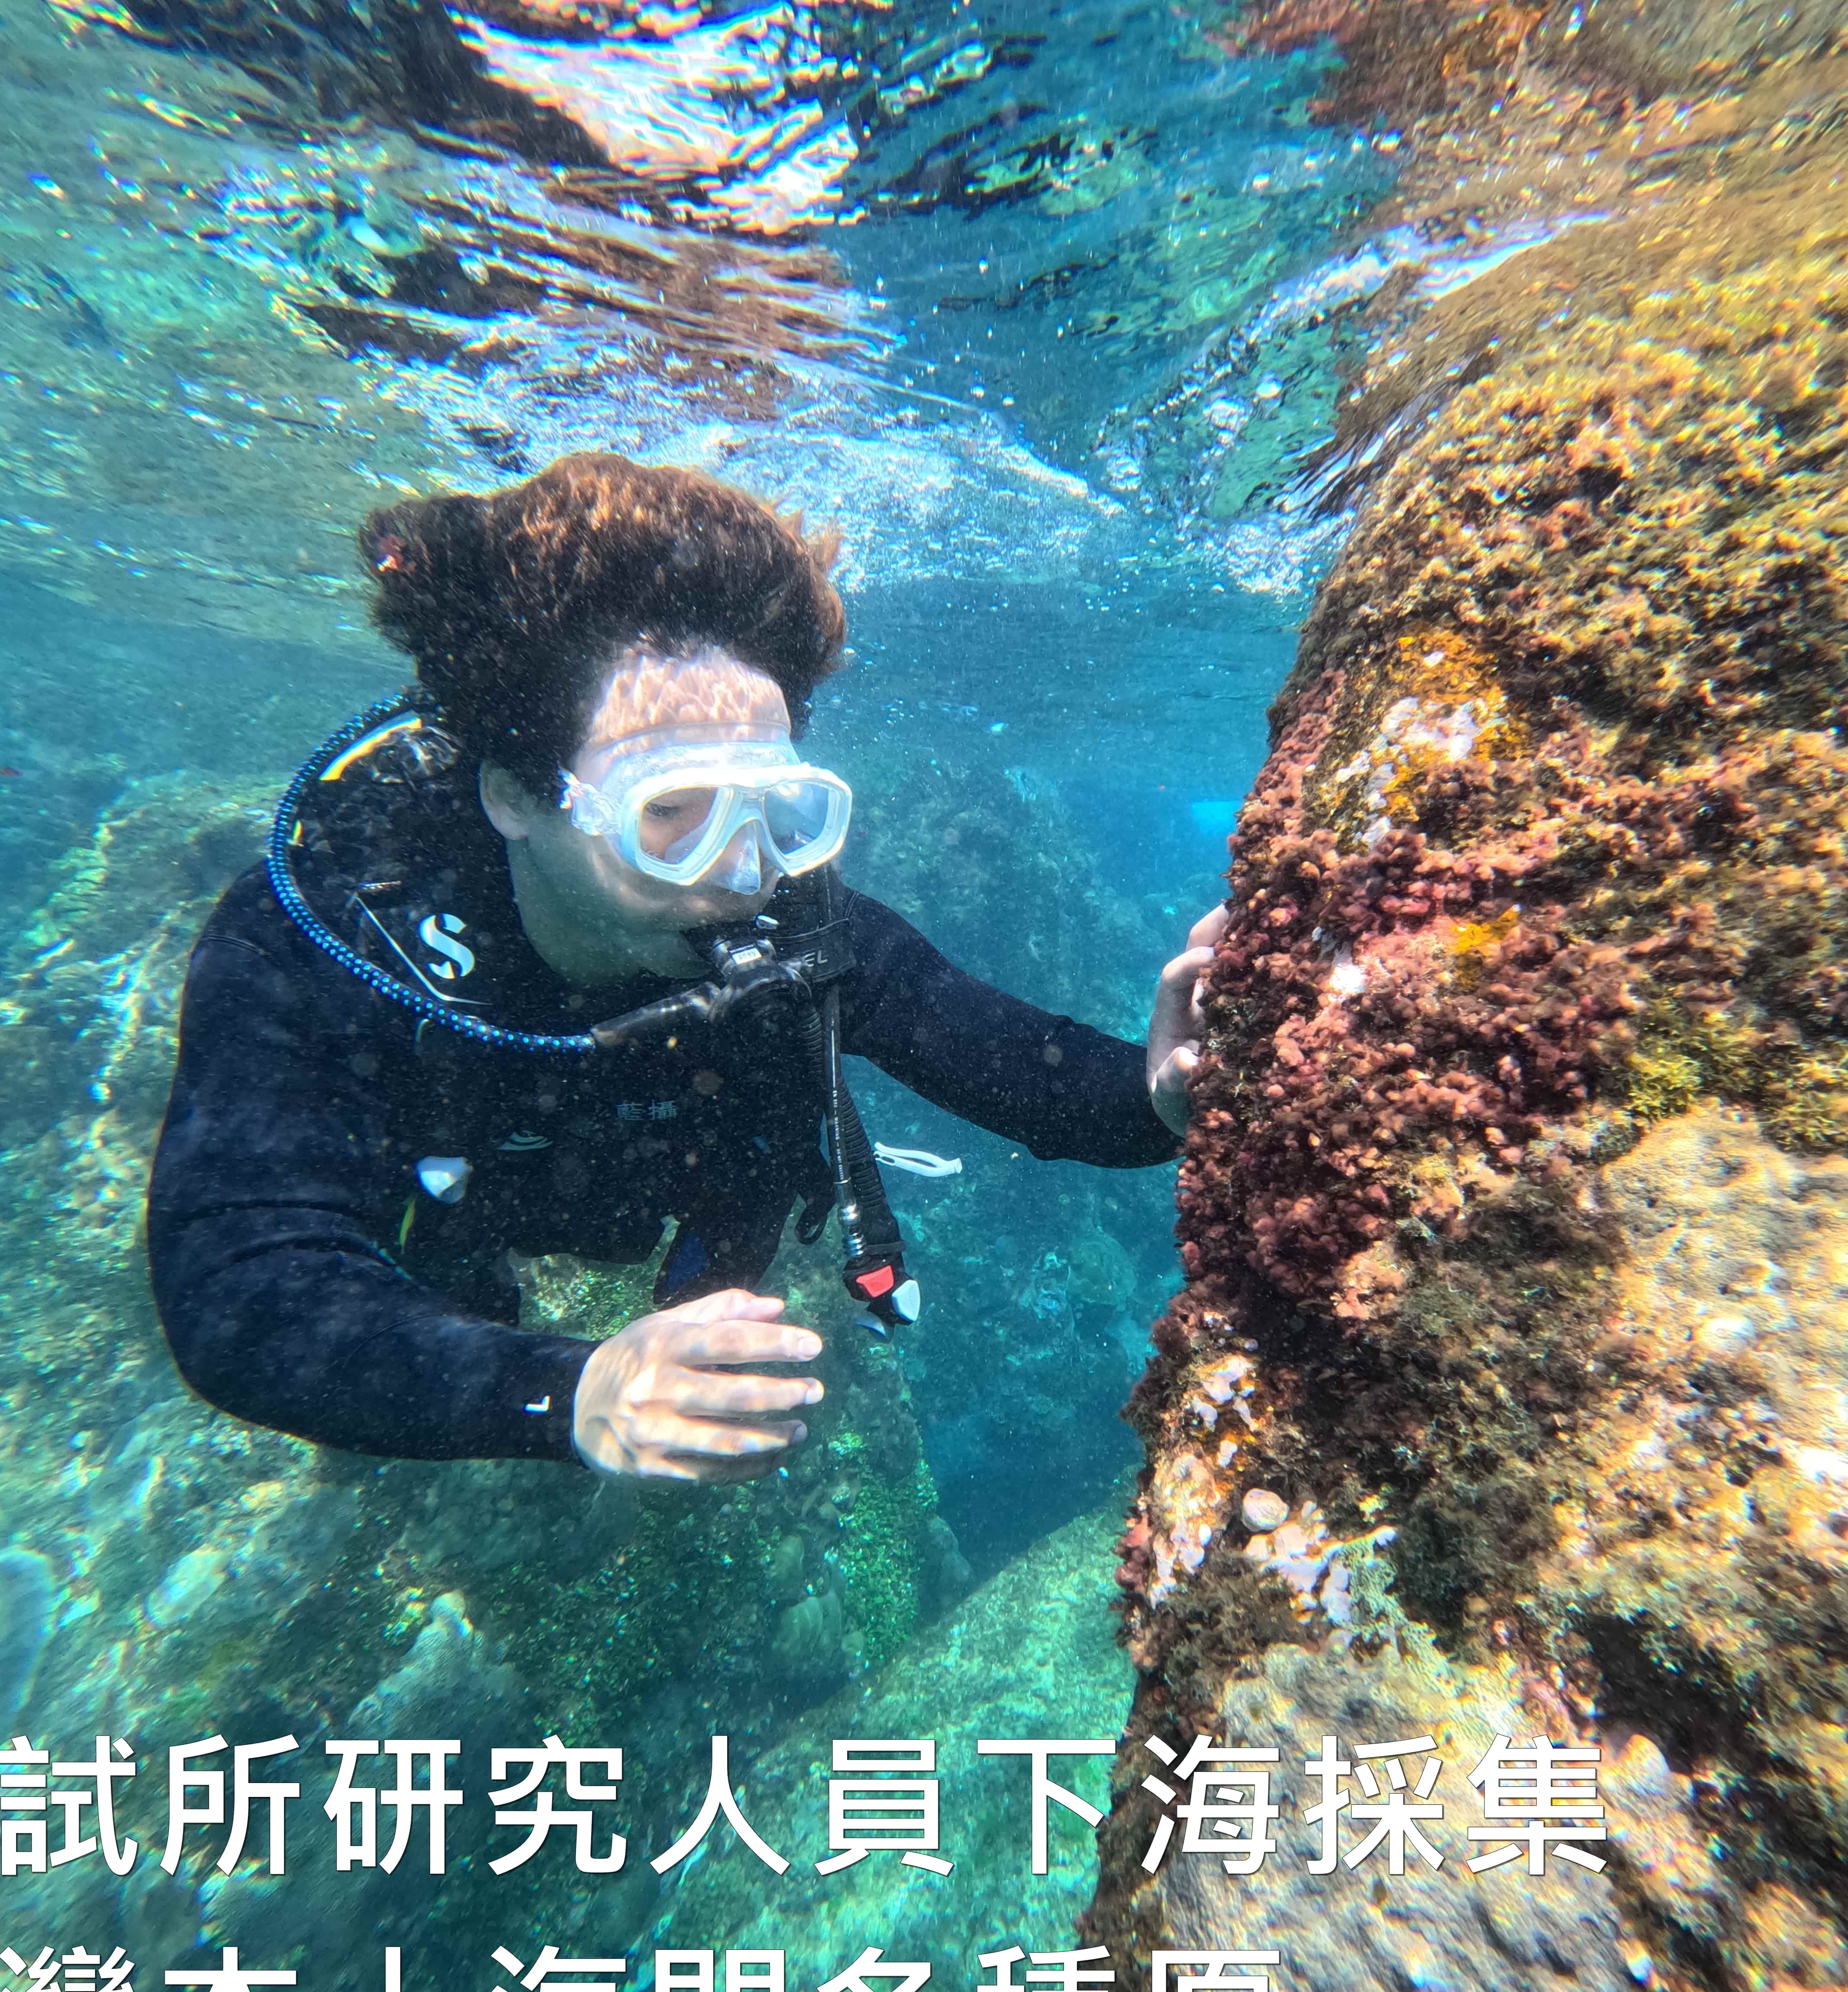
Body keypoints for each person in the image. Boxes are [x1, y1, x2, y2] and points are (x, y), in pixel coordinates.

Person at [146, 453, 1227, 1485]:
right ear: (516, 794)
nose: (746, 870)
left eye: (776, 810)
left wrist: (1157, 1092)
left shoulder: (792, 917)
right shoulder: (330, 934)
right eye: (672, 813)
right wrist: (567, 1393)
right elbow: (238, 1290)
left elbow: (1010, 1063)